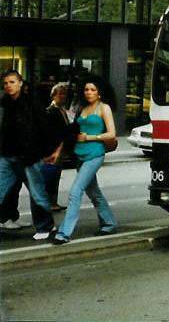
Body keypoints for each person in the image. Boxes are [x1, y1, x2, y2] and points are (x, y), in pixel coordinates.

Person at [52, 77, 117, 244]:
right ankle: (109, 223)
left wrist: (90, 137)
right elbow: (74, 129)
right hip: (79, 154)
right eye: (87, 89)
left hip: (95, 154)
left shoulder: (104, 108)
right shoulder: (83, 108)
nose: (89, 92)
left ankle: (64, 233)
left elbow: (112, 133)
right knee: (93, 191)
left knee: (75, 191)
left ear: (99, 92)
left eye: (93, 90)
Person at [0, 70, 56, 240]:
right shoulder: (4, 105)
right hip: (7, 155)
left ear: (21, 83)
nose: (9, 86)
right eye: (6, 83)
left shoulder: (31, 103)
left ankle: (45, 226)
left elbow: (43, 128)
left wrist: (43, 152)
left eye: (12, 82)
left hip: (28, 156)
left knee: (37, 193)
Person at [41, 83, 73, 211]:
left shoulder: (62, 110)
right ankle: (49, 202)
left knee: (56, 175)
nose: (63, 96)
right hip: (53, 149)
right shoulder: (51, 111)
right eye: (60, 94)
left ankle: (53, 202)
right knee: (51, 176)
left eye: (64, 94)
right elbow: (51, 133)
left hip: (61, 148)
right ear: (53, 96)